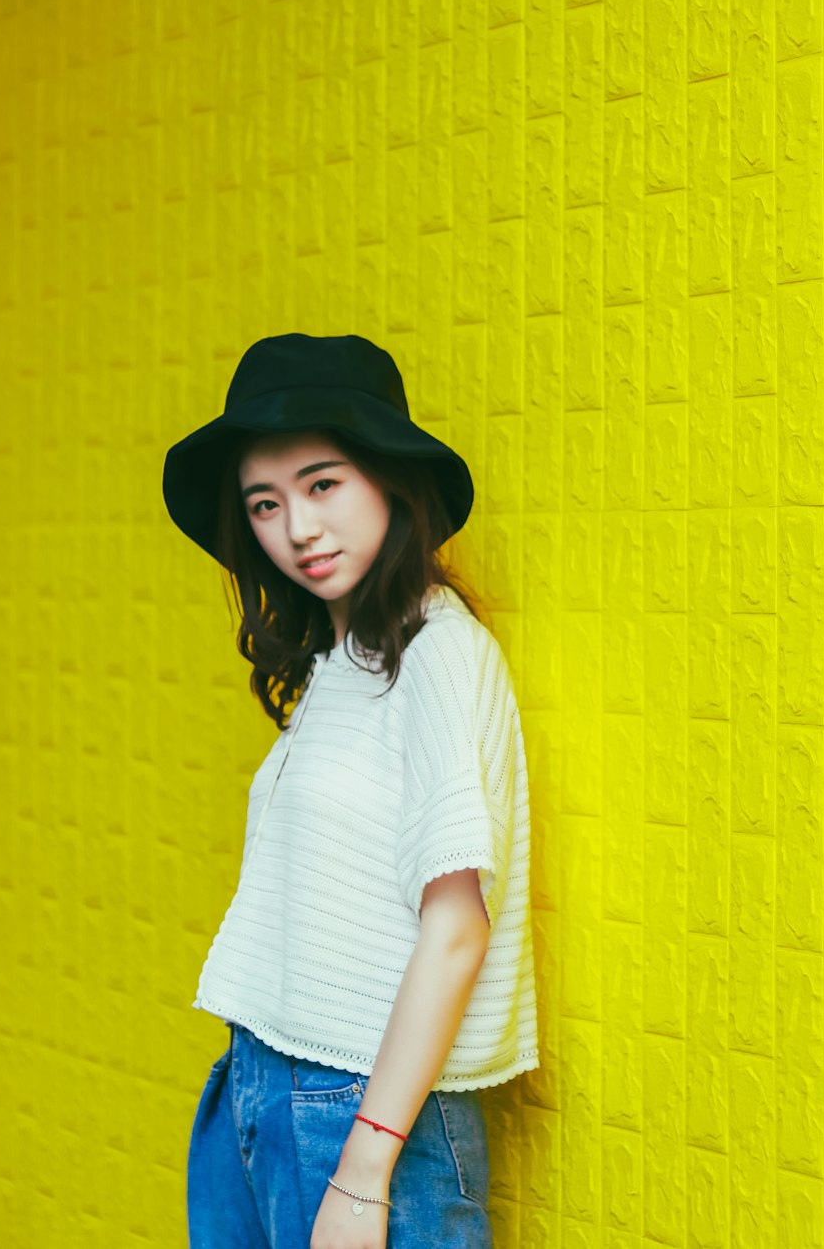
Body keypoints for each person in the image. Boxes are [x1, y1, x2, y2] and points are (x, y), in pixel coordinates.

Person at [162, 333, 539, 1249]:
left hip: (360, 1113)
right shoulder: (341, 665)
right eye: (265, 502)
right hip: (260, 1081)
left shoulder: (439, 652)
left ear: (388, 481)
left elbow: (456, 930)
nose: (297, 528)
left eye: (323, 484)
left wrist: (365, 1171)